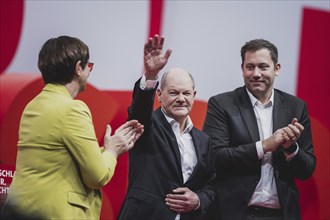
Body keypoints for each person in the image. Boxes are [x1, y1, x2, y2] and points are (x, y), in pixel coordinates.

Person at [0, 36, 144, 219]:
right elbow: (98, 176)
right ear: (78, 68)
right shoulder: (73, 109)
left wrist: (107, 148)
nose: (90, 71)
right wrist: (113, 151)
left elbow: (58, 157)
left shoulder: (33, 105)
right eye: (88, 66)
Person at [203, 39, 316, 220]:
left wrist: (291, 149)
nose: (256, 74)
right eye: (250, 67)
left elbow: (307, 170)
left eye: (263, 67)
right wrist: (263, 146)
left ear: (276, 68)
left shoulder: (296, 107)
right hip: (234, 214)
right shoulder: (222, 104)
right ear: (242, 69)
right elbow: (214, 158)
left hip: (281, 215)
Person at [118, 35, 216, 220]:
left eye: (186, 93)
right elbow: (139, 110)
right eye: (173, 92)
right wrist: (151, 75)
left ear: (194, 96)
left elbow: (211, 185)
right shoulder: (146, 125)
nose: (181, 98)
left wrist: (198, 199)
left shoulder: (203, 141)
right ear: (159, 95)